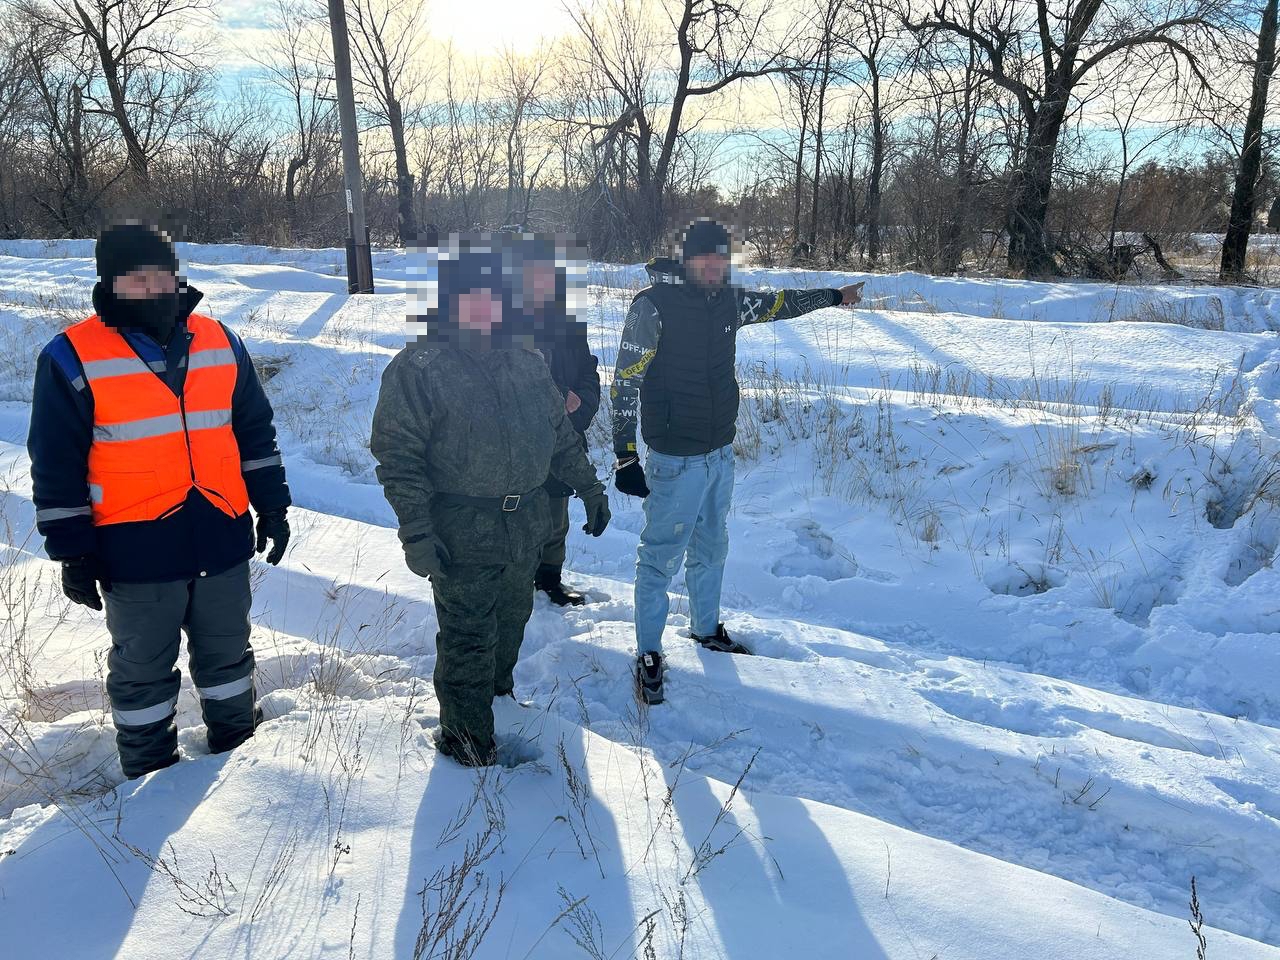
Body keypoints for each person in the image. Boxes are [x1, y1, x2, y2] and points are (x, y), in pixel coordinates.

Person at [28, 221, 291, 779]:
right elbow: (56, 464)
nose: (152, 287)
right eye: (134, 277)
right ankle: (148, 779)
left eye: (161, 273)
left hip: (220, 533)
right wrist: (72, 551)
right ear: (110, 282)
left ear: (175, 273)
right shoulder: (71, 356)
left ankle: (237, 759)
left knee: (228, 659)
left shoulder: (221, 340)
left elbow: (254, 432)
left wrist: (272, 505)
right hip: (135, 549)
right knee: (143, 673)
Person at [371, 239, 611, 767]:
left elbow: (559, 434)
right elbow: (398, 458)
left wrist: (590, 488)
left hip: (524, 523)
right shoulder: (420, 367)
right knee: (468, 640)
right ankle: (465, 747)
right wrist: (416, 530)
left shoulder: (525, 360)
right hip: (462, 529)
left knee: (512, 620)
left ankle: (499, 704)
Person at [611, 218, 864, 704]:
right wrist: (625, 457)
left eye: (721, 258)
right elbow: (626, 381)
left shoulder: (730, 299)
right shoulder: (653, 306)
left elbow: (782, 304)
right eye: (705, 258)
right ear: (687, 259)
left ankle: (705, 629)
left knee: (711, 548)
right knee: (660, 557)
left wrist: (835, 296)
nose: (713, 266)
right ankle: (648, 652)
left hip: (719, 454)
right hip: (675, 458)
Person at [511, 234, 602, 606]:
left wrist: (581, 405)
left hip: (565, 434)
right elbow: (510, 380)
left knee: (556, 516)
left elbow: (590, 372)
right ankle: (515, 581)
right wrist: (556, 396)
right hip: (520, 444)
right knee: (521, 518)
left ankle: (550, 580)